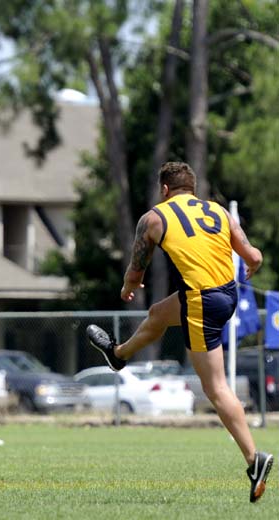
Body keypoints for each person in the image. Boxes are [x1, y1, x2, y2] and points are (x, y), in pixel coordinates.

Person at [86, 161, 273, 503]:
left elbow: (137, 264)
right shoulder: (217, 211)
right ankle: (118, 355)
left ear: (165, 190)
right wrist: (251, 266)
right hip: (223, 291)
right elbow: (254, 255)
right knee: (158, 314)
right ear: (194, 188)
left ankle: (253, 459)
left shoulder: (155, 217)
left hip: (203, 300)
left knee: (215, 387)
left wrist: (130, 286)